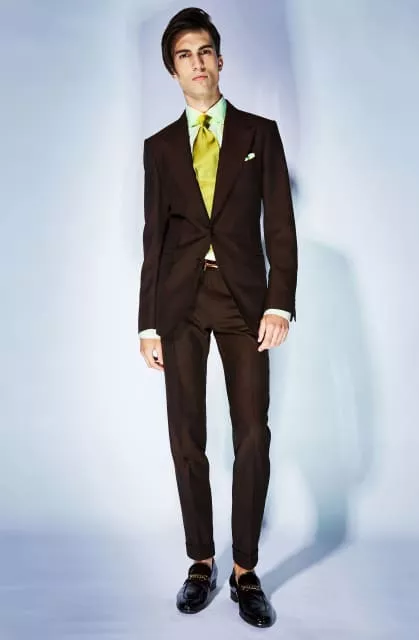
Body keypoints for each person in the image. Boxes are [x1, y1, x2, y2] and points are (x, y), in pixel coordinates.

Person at [138, 7, 297, 628]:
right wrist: (147, 323)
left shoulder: (260, 134)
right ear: (173, 70)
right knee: (187, 436)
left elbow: (279, 225)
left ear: (220, 60)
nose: (197, 63)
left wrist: (279, 302)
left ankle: (245, 570)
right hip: (179, 303)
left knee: (252, 433)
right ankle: (201, 561)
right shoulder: (159, 148)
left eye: (204, 51)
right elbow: (154, 240)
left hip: (243, 301)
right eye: (185, 55)